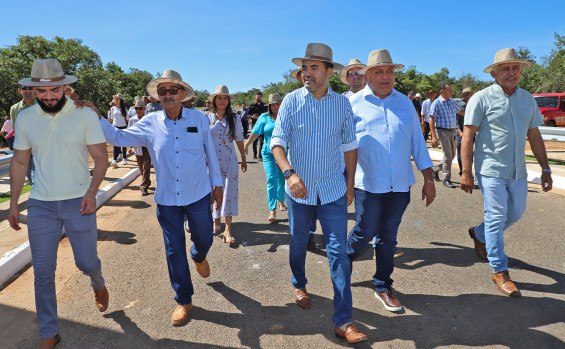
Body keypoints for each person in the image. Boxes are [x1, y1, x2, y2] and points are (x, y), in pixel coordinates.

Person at [87, 69, 223, 326]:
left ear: (183, 94)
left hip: (198, 194)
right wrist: (97, 115)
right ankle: (184, 299)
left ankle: (199, 254)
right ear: (158, 97)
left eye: (173, 90)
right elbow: (117, 136)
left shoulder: (199, 118)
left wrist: (217, 184)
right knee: (174, 251)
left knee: (205, 238)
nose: (168, 95)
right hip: (168, 200)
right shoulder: (150, 122)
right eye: (163, 92)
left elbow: (211, 153)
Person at [8, 59, 109, 349]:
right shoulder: (25, 119)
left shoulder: (84, 115)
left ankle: (97, 280)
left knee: (86, 262)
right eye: (43, 92)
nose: (49, 97)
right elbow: (19, 160)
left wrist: (91, 192)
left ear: (66, 87)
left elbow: (101, 158)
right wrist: (15, 203)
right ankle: (49, 332)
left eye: (55, 90)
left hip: (79, 201)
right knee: (43, 272)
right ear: (33, 91)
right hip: (41, 204)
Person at [271, 43, 367, 344]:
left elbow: (350, 147)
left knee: (338, 252)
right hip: (299, 192)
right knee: (298, 242)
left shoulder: (342, 104)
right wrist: (289, 173)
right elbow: (277, 143)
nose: (307, 73)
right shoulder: (290, 101)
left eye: (314, 67)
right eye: (304, 68)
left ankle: (343, 321)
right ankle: (299, 282)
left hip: (333, 190)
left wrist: (350, 185)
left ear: (328, 72)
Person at [346, 49, 436, 312]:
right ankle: (345, 258)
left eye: (390, 71)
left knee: (388, 237)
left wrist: (428, 179)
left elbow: (417, 142)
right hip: (367, 184)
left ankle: (383, 285)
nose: (385, 77)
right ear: (366, 75)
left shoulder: (405, 103)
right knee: (365, 231)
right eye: (379, 72)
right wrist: (345, 182)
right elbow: (343, 146)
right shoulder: (352, 104)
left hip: (399, 185)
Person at [461, 48, 553, 297]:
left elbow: (534, 135)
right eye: (505, 68)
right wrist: (466, 171)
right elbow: (468, 136)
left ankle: (478, 233)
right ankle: (500, 270)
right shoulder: (481, 98)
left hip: (518, 171)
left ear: (520, 72)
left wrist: (546, 169)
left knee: (515, 213)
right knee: (495, 216)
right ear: (494, 73)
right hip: (490, 169)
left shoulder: (527, 99)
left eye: (515, 68)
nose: (511, 73)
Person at [204, 85, 246, 244]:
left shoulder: (234, 118)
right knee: (211, 190)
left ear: (228, 101)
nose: (222, 100)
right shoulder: (206, 117)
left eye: (225, 98)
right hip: (210, 160)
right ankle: (215, 220)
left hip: (229, 161)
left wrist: (243, 157)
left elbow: (239, 138)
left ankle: (228, 228)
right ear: (214, 100)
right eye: (219, 97)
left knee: (229, 192)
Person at [243, 93, 286, 223]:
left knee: (282, 179)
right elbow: (255, 133)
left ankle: (280, 200)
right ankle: (272, 210)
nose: (276, 106)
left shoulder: (287, 116)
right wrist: (245, 146)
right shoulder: (264, 117)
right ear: (270, 106)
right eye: (273, 104)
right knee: (271, 179)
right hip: (268, 152)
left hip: (284, 153)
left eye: (278, 103)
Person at [429, 83, 465, 188]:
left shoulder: (452, 102)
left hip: (452, 131)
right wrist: (434, 137)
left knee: (452, 155)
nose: (452, 93)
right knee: (448, 155)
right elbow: (431, 119)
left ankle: (435, 169)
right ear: (442, 92)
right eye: (450, 90)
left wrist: (471, 114)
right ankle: (446, 178)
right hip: (442, 131)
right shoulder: (437, 103)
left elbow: (460, 111)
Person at [10, 84, 37, 185]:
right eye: (24, 88)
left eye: (30, 88)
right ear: (19, 90)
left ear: (35, 89)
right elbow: (15, 127)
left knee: (36, 174)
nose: (28, 90)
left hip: (41, 145)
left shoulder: (43, 104)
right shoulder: (14, 108)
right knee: (29, 174)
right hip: (24, 147)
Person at [127, 99, 152, 196]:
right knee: (141, 167)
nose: (138, 110)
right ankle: (146, 181)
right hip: (137, 146)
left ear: (144, 109)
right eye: (136, 108)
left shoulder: (148, 119)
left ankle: (144, 187)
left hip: (146, 146)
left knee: (146, 167)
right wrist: (130, 147)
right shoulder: (132, 120)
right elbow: (129, 133)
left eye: (140, 108)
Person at [456, 87, 474, 176]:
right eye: (467, 94)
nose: (469, 95)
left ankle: (469, 170)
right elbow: (455, 121)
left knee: (471, 152)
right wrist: (460, 132)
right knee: (461, 152)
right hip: (462, 132)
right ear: (464, 95)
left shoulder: (473, 104)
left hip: (471, 132)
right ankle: (462, 170)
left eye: (470, 94)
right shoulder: (459, 105)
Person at [107, 93, 129, 167]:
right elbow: (112, 119)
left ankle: (124, 158)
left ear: (120, 100)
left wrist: (128, 128)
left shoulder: (124, 109)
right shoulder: (112, 108)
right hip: (115, 127)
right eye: (115, 99)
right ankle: (114, 159)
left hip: (123, 127)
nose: (115, 100)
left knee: (123, 143)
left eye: (117, 99)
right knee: (115, 143)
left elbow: (127, 119)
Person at [248, 91, 268, 160]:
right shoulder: (252, 105)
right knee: (255, 140)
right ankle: (254, 154)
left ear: (261, 97)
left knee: (262, 141)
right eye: (257, 96)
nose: (258, 97)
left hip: (263, 125)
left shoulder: (265, 105)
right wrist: (252, 117)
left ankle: (260, 156)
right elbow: (248, 115)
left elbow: (268, 114)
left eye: (260, 96)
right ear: (255, 97)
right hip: (255, 124)